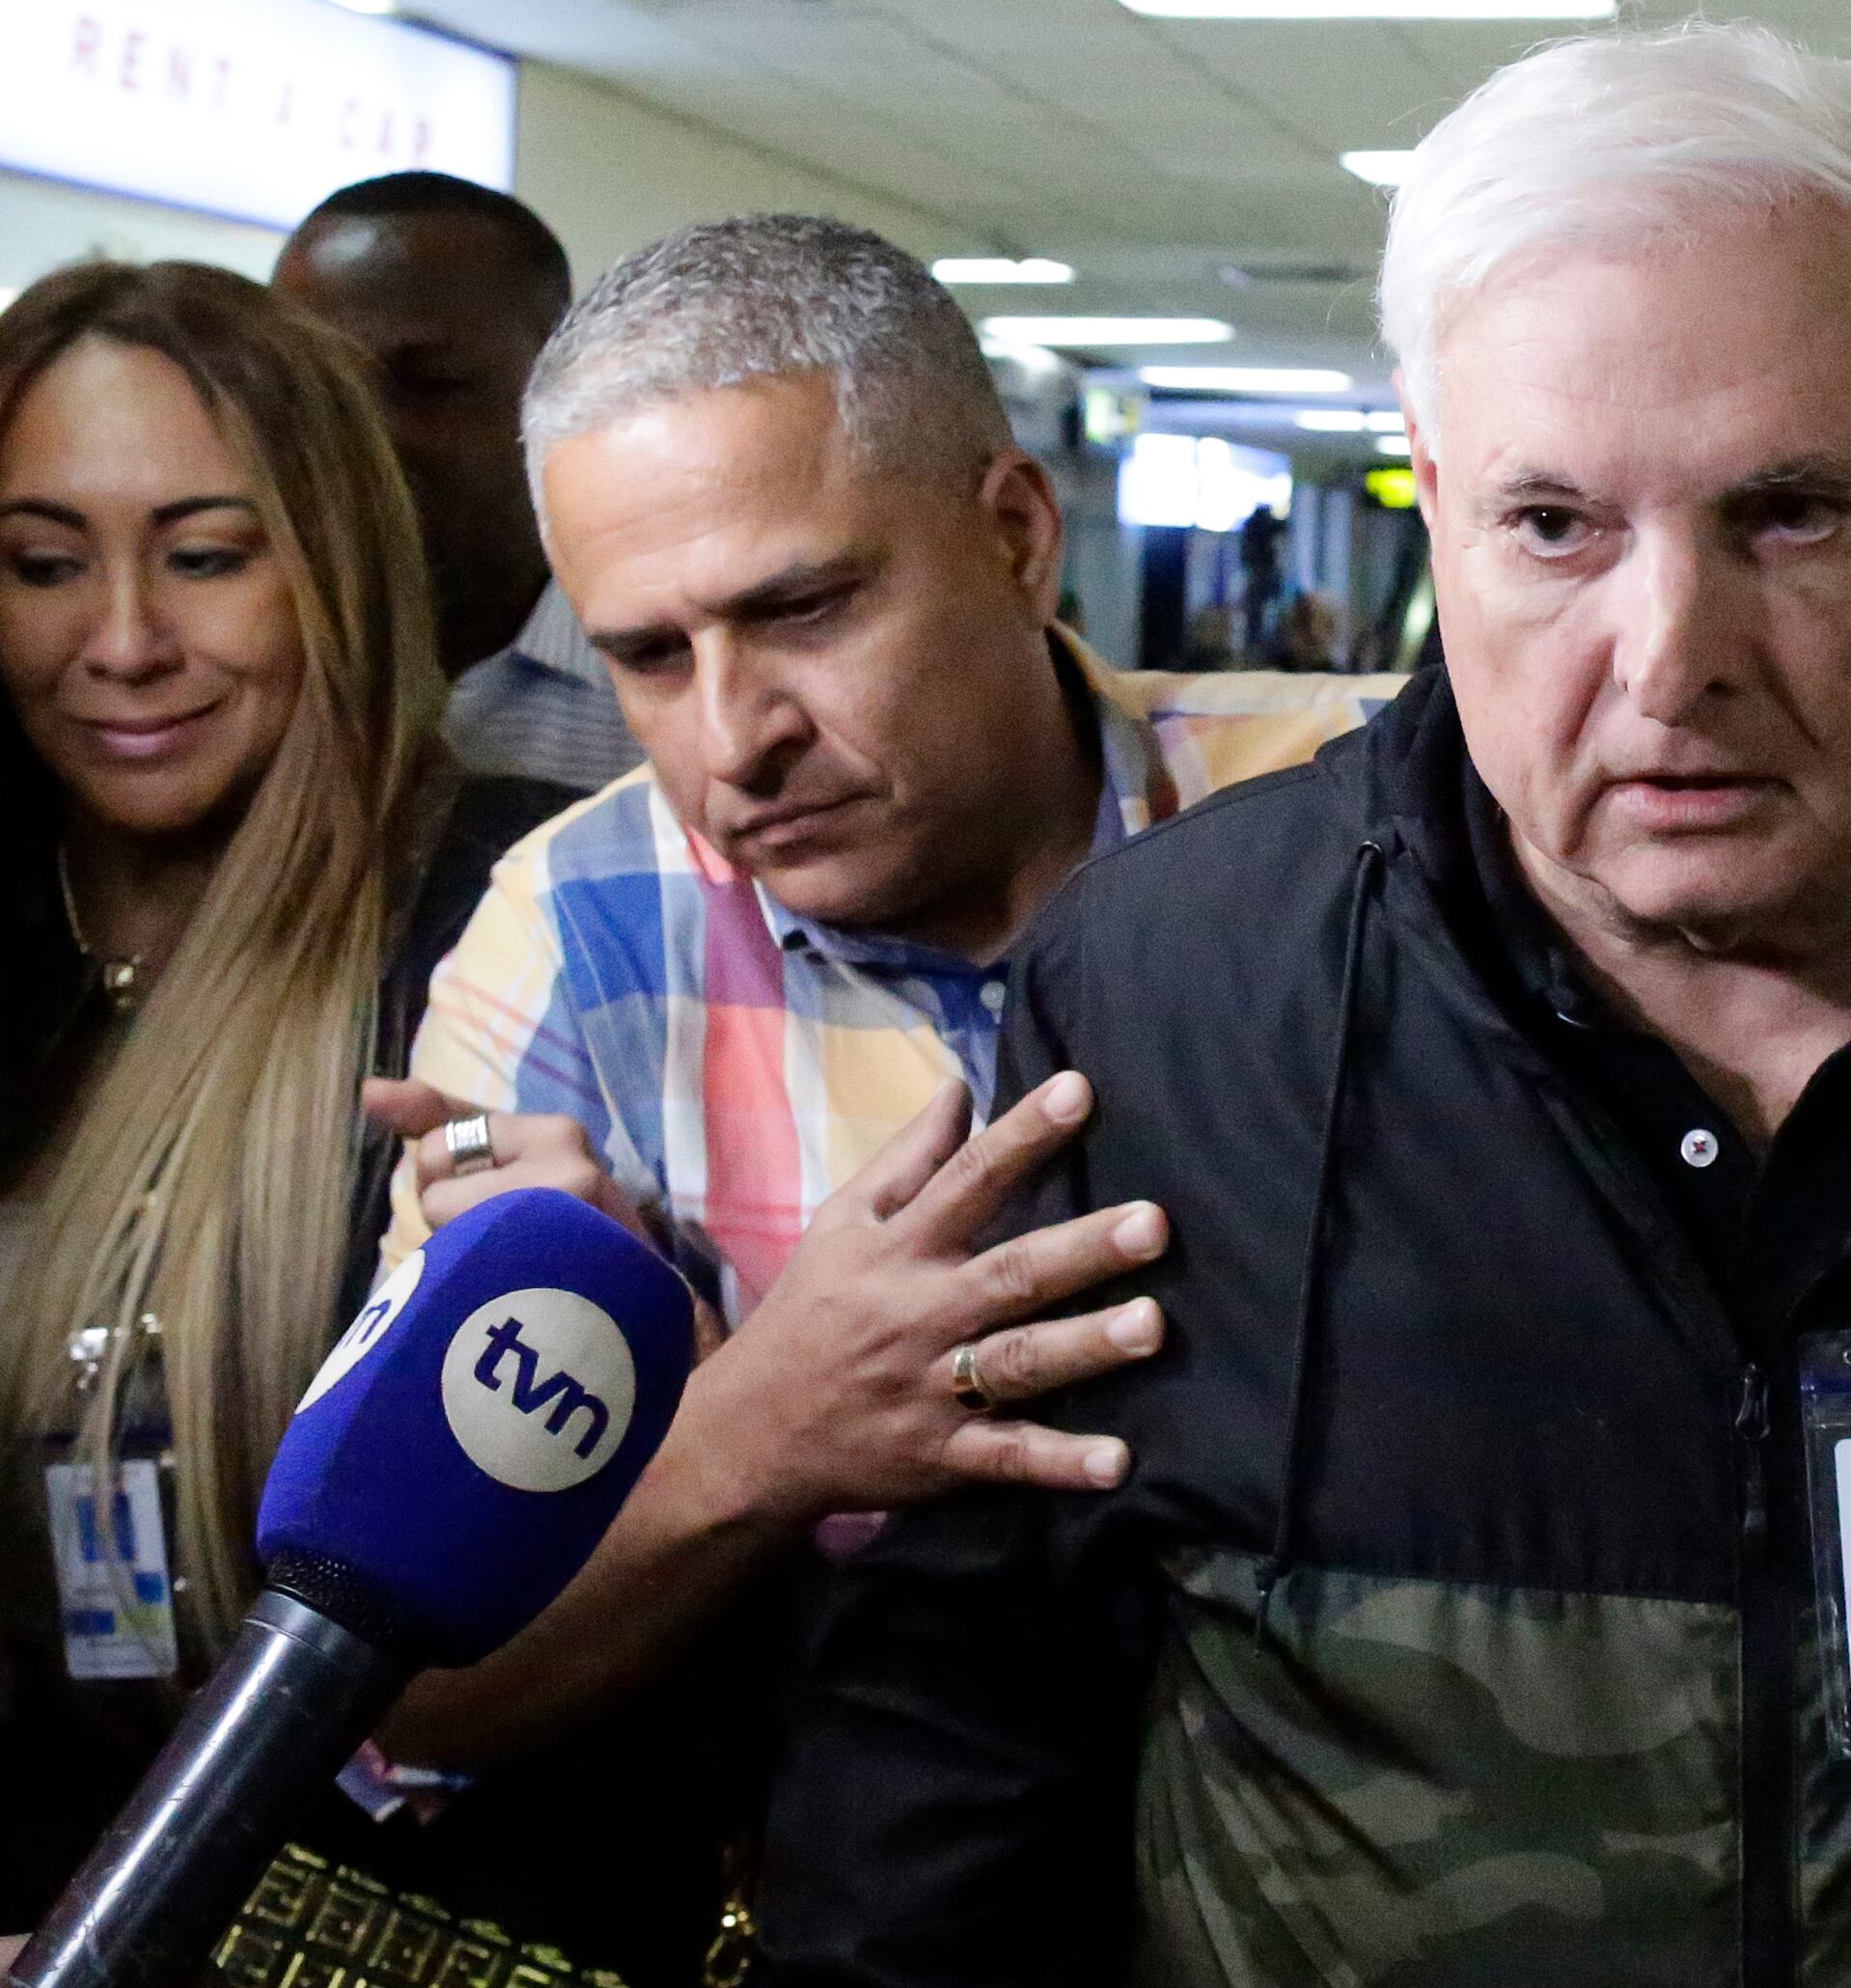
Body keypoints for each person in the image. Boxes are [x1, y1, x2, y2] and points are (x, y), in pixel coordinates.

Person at [754, 22, 1851, 1985]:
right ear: (1431, 492)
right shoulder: (1171, 1006)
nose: (1667, 660)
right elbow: (954, 1767)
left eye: (1788, 513)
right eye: (1552, 525)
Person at [352, 213, 1395, 1981]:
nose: (733, 735)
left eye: (804, 608)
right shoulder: (579, 939)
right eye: (650, 658)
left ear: (1012, 535)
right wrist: (756, 1430)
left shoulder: (1363, 809)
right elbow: (407, 1705)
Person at [0, 262, 566, 1927]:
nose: (121, 641)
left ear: (331, 559)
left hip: (352, 1905)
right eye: (41, 564)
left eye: (204, 557)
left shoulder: (499, 920)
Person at [274, 171, 646, 791]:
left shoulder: (670, 682)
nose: (366, 440)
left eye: (432, 384)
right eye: (316, 390)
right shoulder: (223, 676)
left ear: (564, 388)